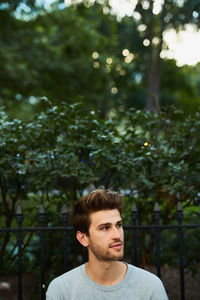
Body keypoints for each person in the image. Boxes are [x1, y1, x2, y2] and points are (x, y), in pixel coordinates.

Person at [46, 188, 168, 299]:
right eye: (105, 228)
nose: (117, 235)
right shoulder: (61, 291)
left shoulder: (150, 287)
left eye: (118, 225)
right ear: (83, 238)